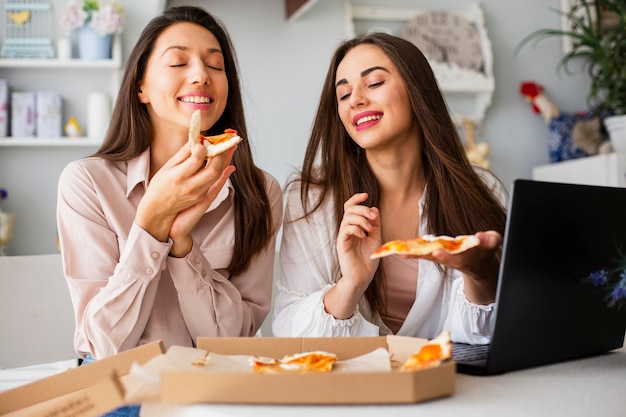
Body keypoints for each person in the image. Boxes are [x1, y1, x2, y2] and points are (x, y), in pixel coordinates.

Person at [57, 5, 282, 367]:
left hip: (216, 382)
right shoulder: (88, 182)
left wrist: (182, 247)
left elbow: (234, 344)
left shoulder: (260, 191)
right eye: (178, 63)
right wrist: (150, 224)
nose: (201, 75)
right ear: (141, 86)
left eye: (215, 65)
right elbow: (104, 346)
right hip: (123, 386)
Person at [272, 32, 507, 344]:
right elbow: (288, 332)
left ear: (416, 90)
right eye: (343, 95)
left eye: (375, 83)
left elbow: (495, 334)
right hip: (350, 387)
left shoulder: (479, 189)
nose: (356, 100)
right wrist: (352, 283)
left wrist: (481, 273)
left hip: (454, 385)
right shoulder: (310, 198)